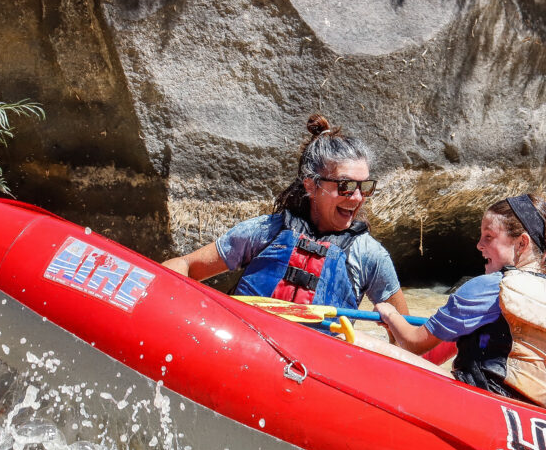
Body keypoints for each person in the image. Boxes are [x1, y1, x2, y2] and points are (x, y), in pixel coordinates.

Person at [375, 194, 546, 431]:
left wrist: (390, 315)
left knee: (356, 344)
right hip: (526, 424)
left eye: (489, 236)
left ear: (522, 243)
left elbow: (415, 343)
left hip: (475, 407)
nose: (479, 245)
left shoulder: (488, 286)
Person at [163, 114, 409, 314]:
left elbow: (405, 338)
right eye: (345, 186)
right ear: (311, 185)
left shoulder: (369, 255)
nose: (357, 198)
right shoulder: (265, 232)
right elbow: (185, 265)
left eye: (364, 186)